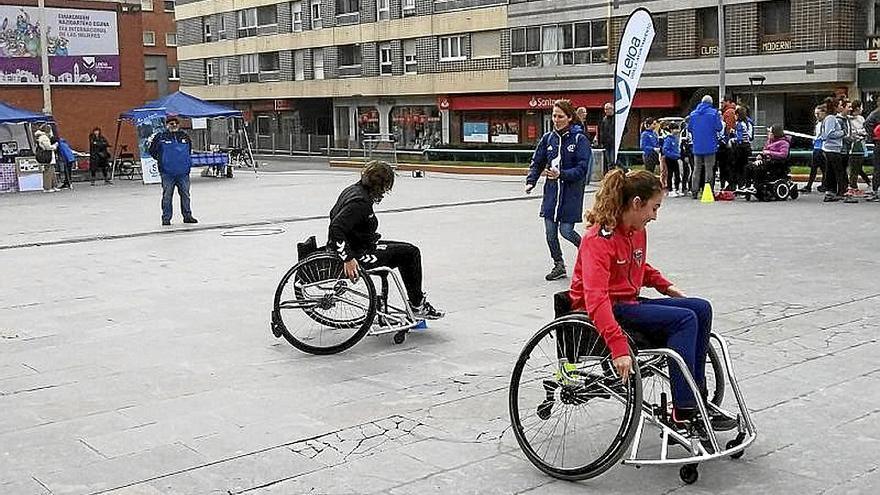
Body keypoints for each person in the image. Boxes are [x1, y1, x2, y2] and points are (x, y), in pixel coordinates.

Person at [569, 169, 736, 430]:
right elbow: (596, 297)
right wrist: (618, 346)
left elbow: (638, 266)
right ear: (636, 203)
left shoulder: (635, 231)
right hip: (608, 309)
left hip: (628, 303)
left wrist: (665, 286)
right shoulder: (598, 240)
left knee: (701, 308)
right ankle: (684, 409)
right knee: (684, 319)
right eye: (654, 208)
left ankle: (697, 396)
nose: (655, 216)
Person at [328, 161, 444, 320]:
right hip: (357, 253)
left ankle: (415, 303)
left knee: (408, 249)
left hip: (362, 245)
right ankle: (417, 305)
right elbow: (336, 228)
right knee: (410, 254)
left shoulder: (354, 190)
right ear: (380, 186)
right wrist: (347, 258)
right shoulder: (360, 202)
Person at [526, 99, 592, 281]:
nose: (556, 119)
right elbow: (537, 161)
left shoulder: (579, 139)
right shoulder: (548, 138)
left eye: (560, 116)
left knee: (566, 231)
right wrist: (531, 180)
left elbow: (582, 168)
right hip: (552, 194)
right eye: (554, 116)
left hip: (570, 194)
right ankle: (558, 264)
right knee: (550, 233)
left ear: (569, 118)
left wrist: (561, 174)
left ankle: (590, 255)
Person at [148, 115, 198, 225]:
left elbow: (189, 150)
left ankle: (187, 216)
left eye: (176, 123)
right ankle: (166, 218)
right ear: (167, 125)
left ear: (179, 125)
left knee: (185, 195)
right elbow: (152, 151)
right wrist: (162, 161)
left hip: (183, 173)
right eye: (171, 123)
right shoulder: (160, 137)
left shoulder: (185, 136)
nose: (174, 125)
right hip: (167, 173)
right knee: (167, 196)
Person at [739, 124, 790, 195]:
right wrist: (761, 155)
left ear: (775, 133)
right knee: (748, 166)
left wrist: (770, 153)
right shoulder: (769, 142)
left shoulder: (784, 143)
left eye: (770, 132)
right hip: (767, 161)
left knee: (758, 168)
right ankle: (747, 185)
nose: (768, 133)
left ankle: (756, 186)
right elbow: (764, 152)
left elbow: (783, 155)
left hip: (776, 164)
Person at [688, 95, 723, 198]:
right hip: (710, 145)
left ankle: (694, 191)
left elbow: (689, 128)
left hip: (697, 146)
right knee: (709, 169)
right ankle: (708, 191)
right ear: (710, 103)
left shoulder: (693, 114)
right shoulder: (713, 113)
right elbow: (719, 127)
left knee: (696, 169)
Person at [819, 99, 847, 202]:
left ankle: (831, 192)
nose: (841, 107)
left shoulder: (830, 118)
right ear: (835, 107)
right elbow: (828, 134)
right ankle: (841, 191)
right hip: (832, 149)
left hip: (832, 149)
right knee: (839, 171)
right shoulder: (831, 118)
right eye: (839, 105)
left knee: (830, 171)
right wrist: (842, 133)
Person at [845, 100, 870, 203]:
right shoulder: (848, 120)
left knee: (858, 166)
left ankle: (866, 182)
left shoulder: (861, 118)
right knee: (854, 167)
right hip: (853, 146)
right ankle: (853, 186)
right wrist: (858, 134)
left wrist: (863, 134)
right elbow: (851, 132)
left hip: (861, 145)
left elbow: (865, 130)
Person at [800, 105, 827, 194]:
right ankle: (811, 185)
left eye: (818, 113)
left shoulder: (825, 123)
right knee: (815, 167)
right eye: (815, 114)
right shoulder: (818, 123)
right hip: (816, 147)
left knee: (822, 168)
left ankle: (822, 184)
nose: (816, 116)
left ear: (824, 113)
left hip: (822, 148)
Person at [731, 106, 754, 191]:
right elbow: (751, 137)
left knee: (738, 167)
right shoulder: (749, 123)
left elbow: (739, 139)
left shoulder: (739, 124)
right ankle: (747, 184)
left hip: (740, 148)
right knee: (745, 166)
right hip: (747, 146)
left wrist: (733, 137)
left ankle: (741, 185)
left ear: (738, 115)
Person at [34, 124, 59, 192]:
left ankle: (54, 186)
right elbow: (48, 147)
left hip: (49, 156)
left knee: (52, 171)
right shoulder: (44, 137)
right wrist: (55, 146)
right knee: (48, 172)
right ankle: (47, 187)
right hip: (47, 156)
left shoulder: (42, 136)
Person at [662, 123, 683, 197]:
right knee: (670, 174)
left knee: (677, 174)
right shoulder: (668, 139)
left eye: (678, 129)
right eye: (675, 129)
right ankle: (670, 190)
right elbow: (665, 150)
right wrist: (673, 155)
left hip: (675, 159)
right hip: (669, 159)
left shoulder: (675, 138)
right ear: (671, 130)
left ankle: (677, 189)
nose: (677, 130)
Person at [598, 102, 618, 175]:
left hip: (614, 143)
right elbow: (601, 131)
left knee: (613, 161)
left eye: (608, 109)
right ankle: (610, 175)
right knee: (608, 161)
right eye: (605, 109)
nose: (606, 111)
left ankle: (615, 174)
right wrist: (601, 141)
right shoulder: (604, 120)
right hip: (606, 143)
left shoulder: (617, 119)